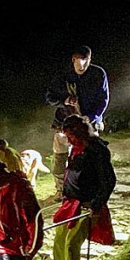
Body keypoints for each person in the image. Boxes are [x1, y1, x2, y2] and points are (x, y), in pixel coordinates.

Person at [51, 116, 117, 260]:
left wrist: (97, 204)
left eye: (70, 136)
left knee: (72, 245)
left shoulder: (96, 150)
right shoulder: (75, 148)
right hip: (70, 203)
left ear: (80, 132)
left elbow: (109, 180)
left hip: (87, 205)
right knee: (59, 241)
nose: (69, 140)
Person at [45, 45, 109, 198]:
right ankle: (61, 189)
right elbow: (49, 97)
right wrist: (64, 100)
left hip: (88, 125)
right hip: (64, 124)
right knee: (60, 157)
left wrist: (91, 117)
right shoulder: (63, 75)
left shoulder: (98, 74)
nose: (82, 66)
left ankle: (92, 189)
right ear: (73, 60)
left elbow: (103, 99)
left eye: (85, 61)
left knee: (91, 157)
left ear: (90, 59)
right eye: (78, 61)